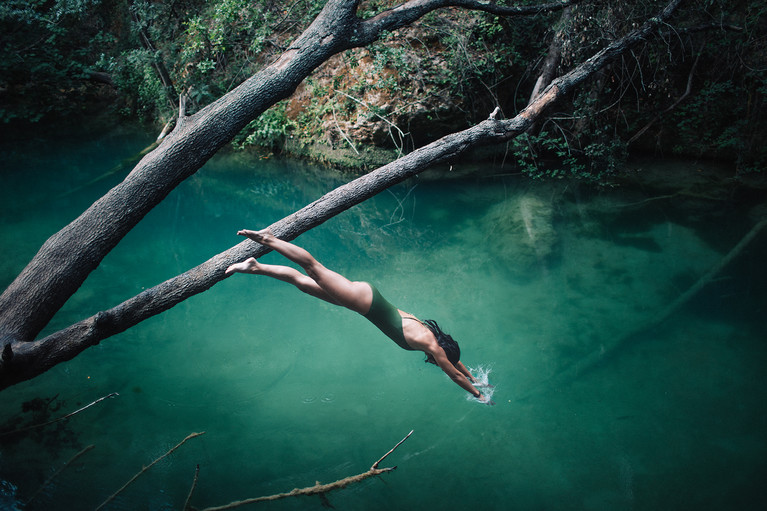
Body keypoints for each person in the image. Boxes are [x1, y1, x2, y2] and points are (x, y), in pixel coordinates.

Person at [225, 228, 493, 404]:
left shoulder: (431, 336)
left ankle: (255, 266)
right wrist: (478, 394)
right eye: (439, 360)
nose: (434, 362)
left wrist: (475, 378)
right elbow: (454, 374)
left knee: (303, 284)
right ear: (440, 354)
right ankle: (268, 239)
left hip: (366, 299)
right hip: (362, 301)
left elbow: (456, 365)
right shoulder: (431, 345)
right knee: (312, 268)